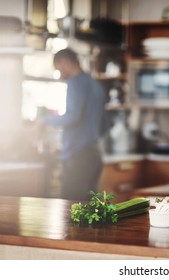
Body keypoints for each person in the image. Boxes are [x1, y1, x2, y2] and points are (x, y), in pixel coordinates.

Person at [42, 48, 106, 201]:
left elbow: (72, 117)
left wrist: (44, 120)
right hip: (94, 154)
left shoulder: (75, 83)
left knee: (71, 208)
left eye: (58, 69)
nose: (59, 74)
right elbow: (104, 125)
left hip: (78, 156)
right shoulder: (95, 85)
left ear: (64, 62)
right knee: (91, 210)